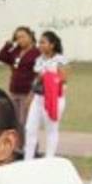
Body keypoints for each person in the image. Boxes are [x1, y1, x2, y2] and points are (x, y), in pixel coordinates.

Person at [24, 30, 70, 160]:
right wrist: (30, 95)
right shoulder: (39, 60)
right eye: (39, 42)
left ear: (52, 44)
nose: (40, 45)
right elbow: (36, 79)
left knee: (51, 129)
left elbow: (64, 79)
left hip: (54, 99)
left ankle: (49, 159)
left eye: (43, 42)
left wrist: (46, 76)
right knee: (30, 129)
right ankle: (28, 159)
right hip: (39, 98)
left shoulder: (61, 60)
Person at [0, 26, 39, 127]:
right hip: (14, 91)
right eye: (17, 38)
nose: (20, 40)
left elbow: (38, 75)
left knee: (25, 122)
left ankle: (29, 143)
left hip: (27, 92)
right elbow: (1, 57)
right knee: (14, 121)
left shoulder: (36, 53)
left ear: (30, 36)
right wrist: (8, 44)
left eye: (23, 37)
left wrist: (32, 94)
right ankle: (21, 142)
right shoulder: (16, 50)